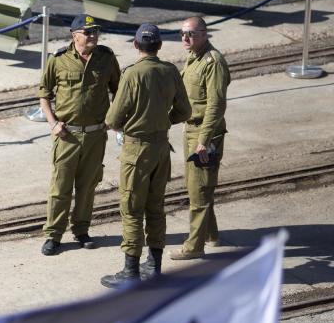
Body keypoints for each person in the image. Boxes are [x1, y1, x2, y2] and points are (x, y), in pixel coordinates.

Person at [101, 24, 191, 288]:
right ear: (159, 46)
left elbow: (113, 118)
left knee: (131, 209)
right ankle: (154, 266)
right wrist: (162, 121)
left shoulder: (131, 74)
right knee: (156, 208)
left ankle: (130, 271)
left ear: (136, 45)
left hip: (136, 151)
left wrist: (130, 125)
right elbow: (184, 111)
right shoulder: (170, 71)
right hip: (161, 149)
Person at [37, 14, 121, 256]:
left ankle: (82, 230)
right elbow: (44, 94)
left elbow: (119, 90)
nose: (93, 35)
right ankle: (53, 235)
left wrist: (113, 120)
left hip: (96, 136)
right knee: (60, 188)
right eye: (88, 32)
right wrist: (53, 123)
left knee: (88, 187)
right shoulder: (59, 59)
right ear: (75, 36)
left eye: (95, 31)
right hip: (67, 136)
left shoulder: (106, 58)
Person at [171, 16, 231, 260]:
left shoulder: (212, 62)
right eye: (182, 33)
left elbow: (216, 106)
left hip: (205, 132)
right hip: (192, 129)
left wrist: (203, 141)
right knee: (199, 186)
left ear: (205, 34)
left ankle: (194, 246)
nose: (185, 38)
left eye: (191, 34)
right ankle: (211, 234)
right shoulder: (194, 57)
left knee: (199, 191)